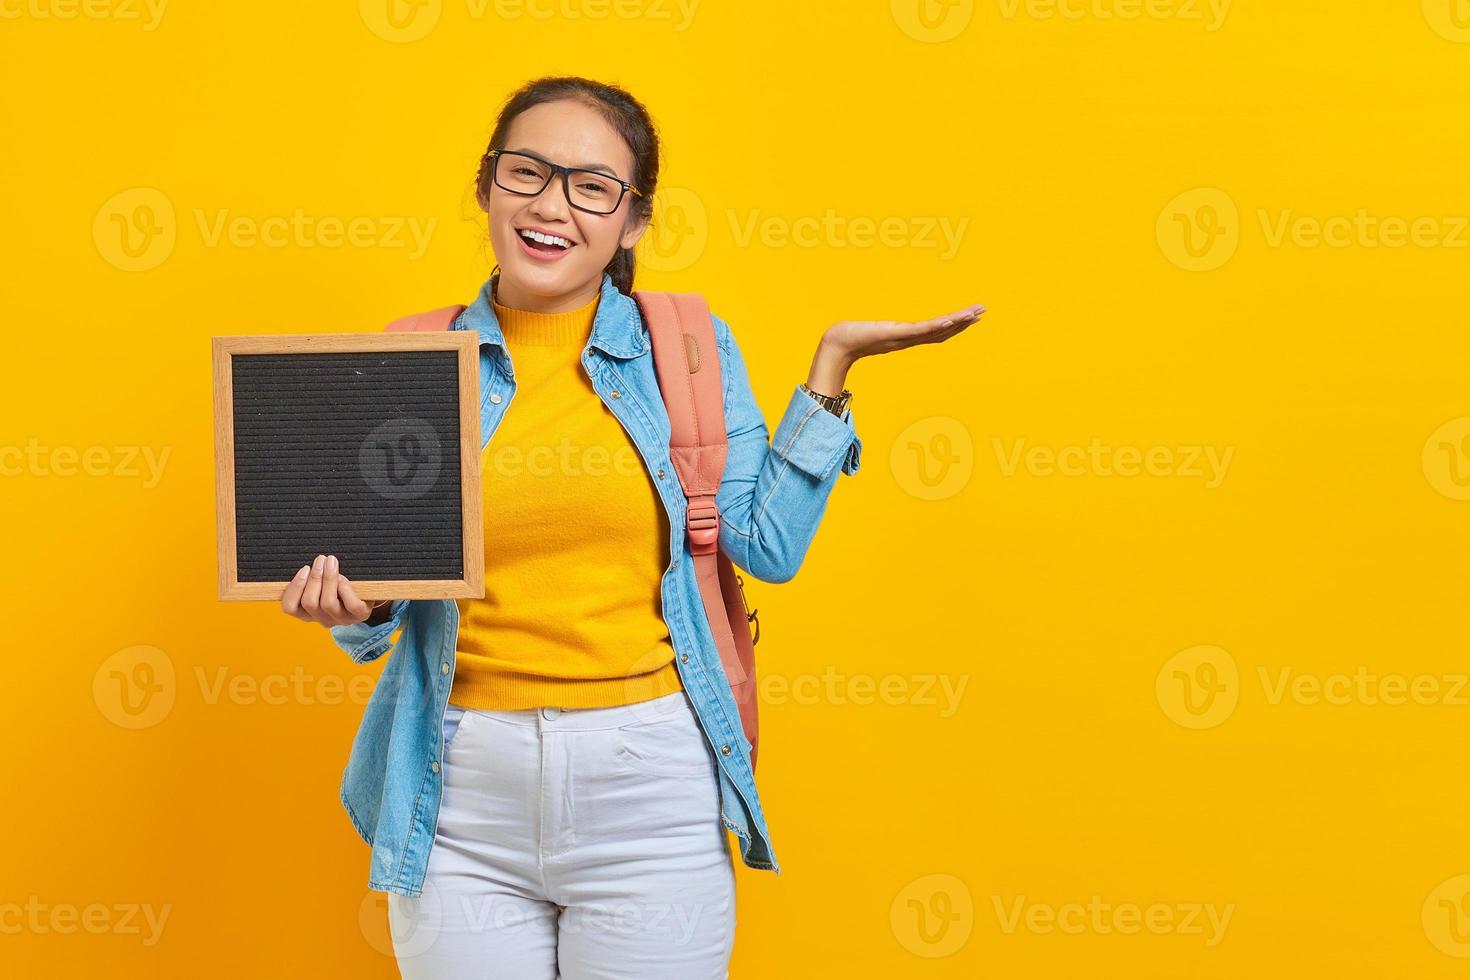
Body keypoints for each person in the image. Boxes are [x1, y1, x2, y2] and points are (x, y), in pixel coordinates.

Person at [280, 75, 984, 979]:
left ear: (633, 222)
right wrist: (348, 607)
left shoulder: (687, 348)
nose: (552, 206)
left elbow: (764, 545)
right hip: (456, 795)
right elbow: (377, 618)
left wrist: (831, 371)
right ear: (486, 186)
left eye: (592, 187)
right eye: (527, 173)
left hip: (649, 788)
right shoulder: (411, 354)